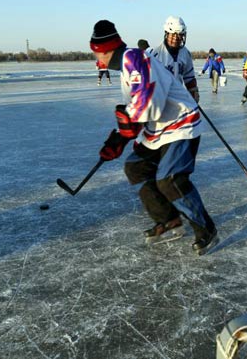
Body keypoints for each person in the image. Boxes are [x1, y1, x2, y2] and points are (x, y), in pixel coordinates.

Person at [89, 19, 218, 256]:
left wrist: (126, 130)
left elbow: (148, 104)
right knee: (135, 167)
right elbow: (138, 107)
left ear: (105, 50)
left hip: (181, 122)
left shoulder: (134, 59)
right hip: (159, 128)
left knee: (169, 179)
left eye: (98, 55)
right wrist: (120, 137)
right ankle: (169, 219)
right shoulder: (127, 65)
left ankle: (206, 228)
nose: (98, 61)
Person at [150, 16, 199, 102]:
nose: (176, 38)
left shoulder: (186, 54)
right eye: (173, 34)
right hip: (159, 100)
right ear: (167, 34)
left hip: (177, 99)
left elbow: (189, 78)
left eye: (180, 34)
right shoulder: (154, 53)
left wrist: (193, 93)